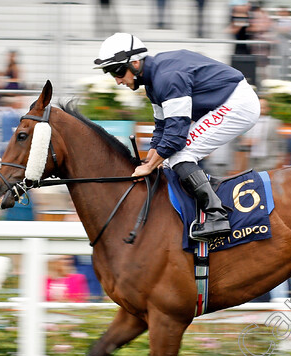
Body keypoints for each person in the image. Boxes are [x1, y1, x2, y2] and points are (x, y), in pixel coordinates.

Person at [93, 33, 260, 240]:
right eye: (111, 74)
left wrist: (149, 166)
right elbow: (161, 128)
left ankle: (217, 215)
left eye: (117, 71)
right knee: (171, 159)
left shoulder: (166, 78)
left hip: (238, 104)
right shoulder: (153, 82)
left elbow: (176, 136)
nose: (118, 80)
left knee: (181, 155)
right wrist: (149, 160)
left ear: (136, 63)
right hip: (228, 103)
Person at [239, 96, 284, 172]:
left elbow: (281, 143)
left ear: (268, 108)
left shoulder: (275, 123)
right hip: (252, 161)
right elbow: (241, 142)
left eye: (263, 107)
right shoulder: (249, 123)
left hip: (269, 161)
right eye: (259, 107)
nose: (261, 109)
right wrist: (244, 142)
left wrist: (279, 159)